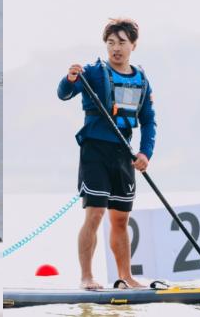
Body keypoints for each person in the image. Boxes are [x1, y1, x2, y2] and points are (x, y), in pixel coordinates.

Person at [58, 19, 156, 289]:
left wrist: (145, 153)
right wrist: (69, 79)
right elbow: (63, 94)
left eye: (122, 42)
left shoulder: (141, 79)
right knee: (95, 213)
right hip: (95, 151)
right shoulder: (93, 72)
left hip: (124, 154)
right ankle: (86, 277)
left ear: (133, 45)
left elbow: (148, 121)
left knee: (121, 219)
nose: (116, 48)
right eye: (111, 43)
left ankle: (126, 277)